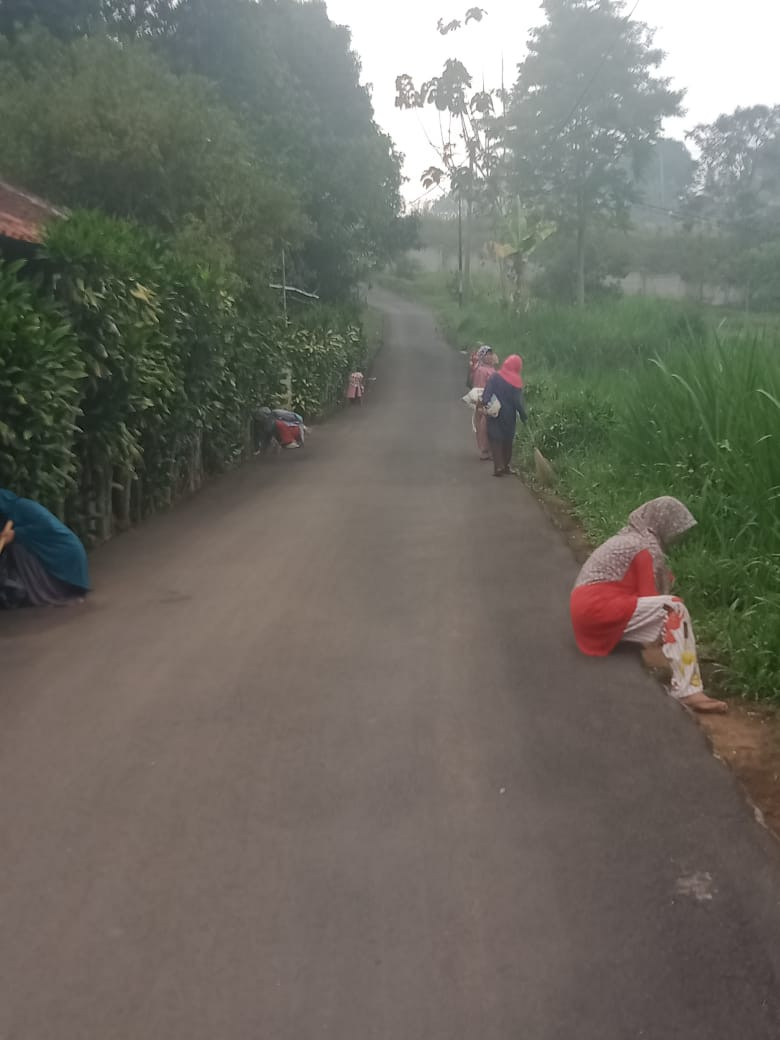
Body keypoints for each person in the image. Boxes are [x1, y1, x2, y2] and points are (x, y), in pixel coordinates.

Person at [570, 496, 727, 714]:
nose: (677, 536)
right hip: (598, 607)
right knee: (674, 608)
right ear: (664, 523)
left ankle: (682, 662)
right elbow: (650, 597)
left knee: (667, 607)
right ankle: (689, 691)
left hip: (586, 611)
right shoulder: (645, 547)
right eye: (676, 529)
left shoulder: (631, 537)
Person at [0, 488, 89, 608]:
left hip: (65, 553)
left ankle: (46, 591)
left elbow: (45, 526)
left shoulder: (23, 507)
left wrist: (16, 533)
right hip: (61, 553)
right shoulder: (10, 513)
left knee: (18, 548)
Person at [478, 354, 528, 477]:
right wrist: (523, 415)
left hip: (494, 413)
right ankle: (505, 466)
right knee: (507, 441)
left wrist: (484, 404)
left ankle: (498, 466)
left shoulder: (495, 377)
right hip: (509, 416)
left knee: (495, 440)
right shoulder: (516, 382)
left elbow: (487, 394)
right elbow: (518, 402)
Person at [470, 346, 498, 461]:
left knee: (491, 425)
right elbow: (480, 388)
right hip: (485, 400)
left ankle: (490, 449)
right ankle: (484, 449)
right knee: (484, 425)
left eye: (491, 354)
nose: (490, 356)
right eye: (487, 354)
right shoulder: (481, 370)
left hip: (493, 400)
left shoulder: (491, 369)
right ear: (482, 356)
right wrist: (482, 403)